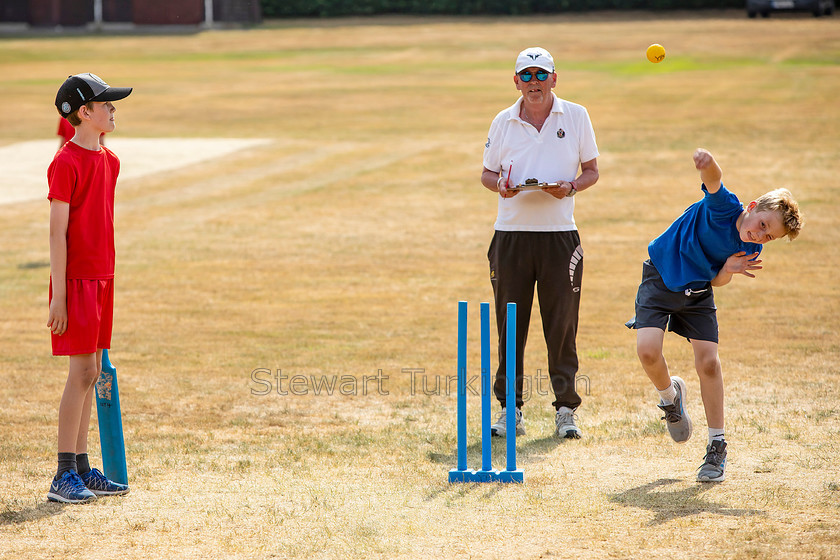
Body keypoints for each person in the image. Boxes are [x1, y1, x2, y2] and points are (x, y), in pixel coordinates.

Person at [626, 148, 803, 482]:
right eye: (762, 225)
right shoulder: (725, 208)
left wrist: (728, 269)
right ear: (752, 207)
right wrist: (707, 164)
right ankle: (670, 398)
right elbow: (715, 181)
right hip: (660, 276)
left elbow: (717, 281)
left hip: (698, 291)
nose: (760, 235)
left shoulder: (751, 248)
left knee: (708, 362)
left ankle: (716, 446)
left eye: (769, 236)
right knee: (647, 351)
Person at [481, 47, 600, 439]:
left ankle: (566, 410)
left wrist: (569, 188)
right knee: (509, 326)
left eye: (540, 74)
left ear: (554, 78)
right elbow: (486, 173)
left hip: (559, 238)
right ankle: (509, 411)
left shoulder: (576, 115)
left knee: (562, 327)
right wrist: (500, 186)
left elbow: (591, 172)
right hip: (511, 235)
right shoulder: (503, 120)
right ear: (516, 80)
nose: (534, 82)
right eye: (526, 75)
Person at [46, 73, 133, 503]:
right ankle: (63, 474)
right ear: (85, 112)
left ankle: (81, 468)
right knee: (80, 374)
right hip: (75, 282)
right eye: (107, 104)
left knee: (93, 372)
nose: (114, 110)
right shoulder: (66, 163)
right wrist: (59, 295)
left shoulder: (110, 161)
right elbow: (57, 233)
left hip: (102, 279)